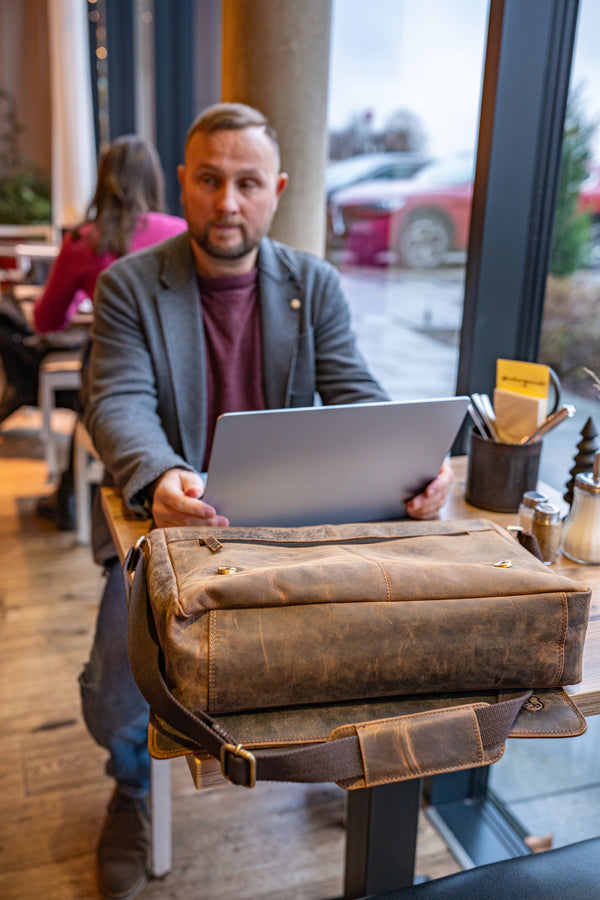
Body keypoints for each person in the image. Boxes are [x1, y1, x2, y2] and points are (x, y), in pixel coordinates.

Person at [82, 102, 454, 900]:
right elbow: (117, 402)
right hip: (177, 524)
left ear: (276, 189)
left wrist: (417, 462)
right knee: (119, 671)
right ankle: (131, 786)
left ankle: (352, 768)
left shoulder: (313, 284)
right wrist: (156, 476)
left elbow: (356, 393)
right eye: (210, 180)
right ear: (183, 182)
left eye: (247, 183)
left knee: (381, 627)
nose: (227, 202)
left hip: (287, 527)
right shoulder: (128, 288)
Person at [24, 135, 187, 528]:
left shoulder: (84, 240)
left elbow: (47, 321)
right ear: (156, 179)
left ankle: (72, 494)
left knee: (96, 390)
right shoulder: (180, 232)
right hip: (179, 365)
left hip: (109, 365)